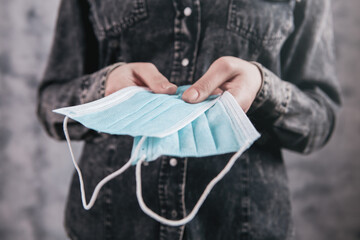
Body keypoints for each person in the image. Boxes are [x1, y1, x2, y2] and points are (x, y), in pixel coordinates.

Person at [37, 0, 341, 239]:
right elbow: (50, 102)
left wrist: (263, 89)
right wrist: (103, 89)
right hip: (111, 222)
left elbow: (320, 119)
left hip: (243, 224)